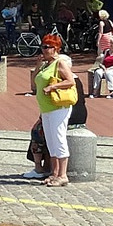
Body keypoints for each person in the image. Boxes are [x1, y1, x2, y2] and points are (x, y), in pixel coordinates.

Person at [31, 45, 78, 187]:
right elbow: (34, 83)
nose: (44, 50)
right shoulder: (46, 64)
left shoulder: (60, 63)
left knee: (59, 139)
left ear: (56, 48)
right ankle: (54, 173)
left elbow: (70, 81)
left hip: (58, 107)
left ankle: (63, 175)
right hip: (46, 108)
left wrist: (52, 87)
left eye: (48, 47)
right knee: (51, 141)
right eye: (43, 47)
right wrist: (38, 65)